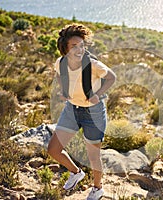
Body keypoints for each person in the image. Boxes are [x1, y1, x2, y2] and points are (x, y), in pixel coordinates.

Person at [47, 24, 116, 200]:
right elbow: (57, 74)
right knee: (54, 149)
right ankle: (76, 172)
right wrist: (63, 89)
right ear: (65, 48)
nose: (80, 49)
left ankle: (97, 188)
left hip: (93, 113)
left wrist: (98, 95)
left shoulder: (93, 64)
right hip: (72, 109)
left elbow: (111, 77)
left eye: (81, 45)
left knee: (93, 155)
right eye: (74, 46)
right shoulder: (60, 62)